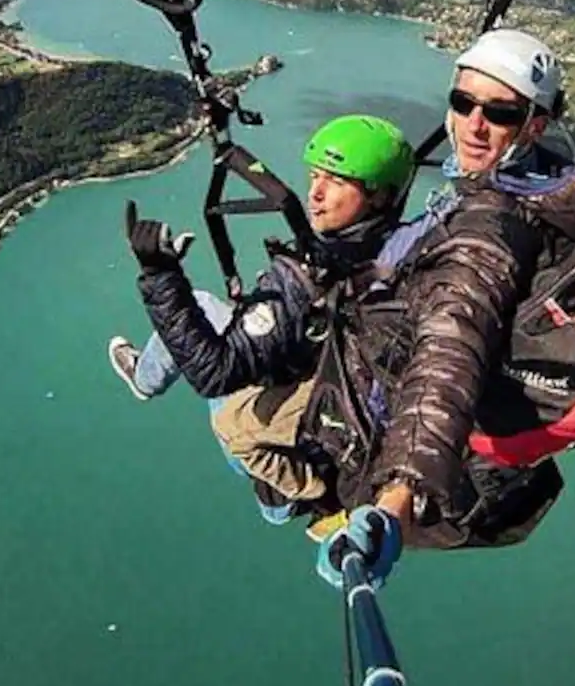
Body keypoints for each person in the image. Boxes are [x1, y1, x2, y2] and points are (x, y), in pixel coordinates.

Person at [308, 27, 575, 588]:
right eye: (463, 102)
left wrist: (395, 500)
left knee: (238, 412)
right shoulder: (523, 185)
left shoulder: (489, 228)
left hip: (392, 437)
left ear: (535, 125)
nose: (474, 124)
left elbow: (450, 352)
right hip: (415, 413)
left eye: (499, 113)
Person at [110, 114, 415, 520]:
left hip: (316, 403)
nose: (316, 193)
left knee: (230, 420)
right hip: (328, 367)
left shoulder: (302, 279)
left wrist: (160, 275)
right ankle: (145, 378)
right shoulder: (402, 247)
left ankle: (288, 497)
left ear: (379, 196)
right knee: (201, 306)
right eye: (314, 177)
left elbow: (213, 372)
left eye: (336, 181)